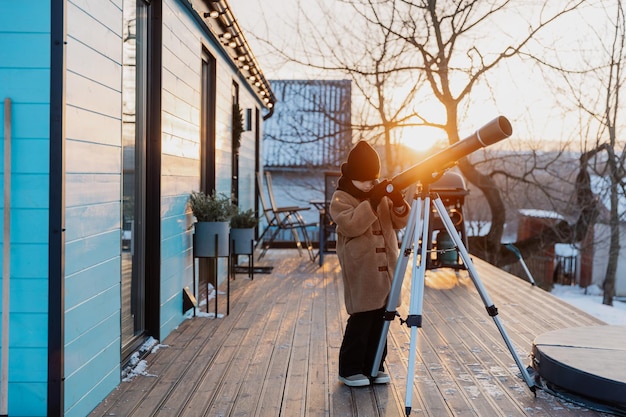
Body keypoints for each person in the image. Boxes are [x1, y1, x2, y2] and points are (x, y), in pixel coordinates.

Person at [329, 141, 410, 387]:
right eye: (363, 180)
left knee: (382, 321)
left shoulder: (378, 193)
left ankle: (374, 365)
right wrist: (372, 202)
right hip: (361, 269)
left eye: (372, 180)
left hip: (386, 269)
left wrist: (397, 202)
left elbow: (400, 223)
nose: (368, 184)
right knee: (362, 320)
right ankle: (350, 368)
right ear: (351, 176)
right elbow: (351, 225)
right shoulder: (342, 197)